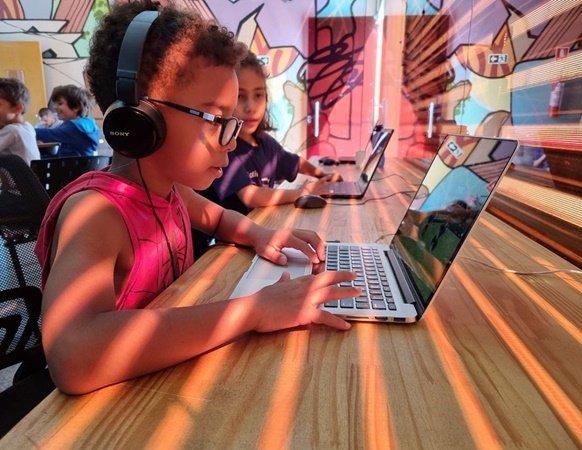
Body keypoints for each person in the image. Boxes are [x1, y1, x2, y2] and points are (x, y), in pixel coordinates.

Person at [35, 0, 359, 396]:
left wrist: (259, 234)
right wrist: (254, 310)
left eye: (233, 123)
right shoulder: (97, 212)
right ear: (140, 120)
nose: (233, 138)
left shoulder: (170, 192)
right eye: (217, 121)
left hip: (167, 384)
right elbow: (72, 357)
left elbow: (219, 218)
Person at [200, 51, 342, 216]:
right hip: (231, 239)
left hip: (260, 228)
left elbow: (296, 162)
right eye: (240, 96)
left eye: (258, 95)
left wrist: (323, 175)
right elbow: (250, 196)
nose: (251, 107)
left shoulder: (264, 142)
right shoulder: (224, 148)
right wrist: (300, 193)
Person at [35, 84, 100, 157]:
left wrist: (26, 130)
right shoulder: (87, 125)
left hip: (73, 166)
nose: (55, 107)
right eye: (55, 103)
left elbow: (50, 134)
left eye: (60, 103)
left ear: (76, 107)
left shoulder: (74, 128)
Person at [0, 77, 40, 165]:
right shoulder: (27, 126)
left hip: (19, 178)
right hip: (31, 177)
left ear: (18, 109)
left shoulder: (12, 130)